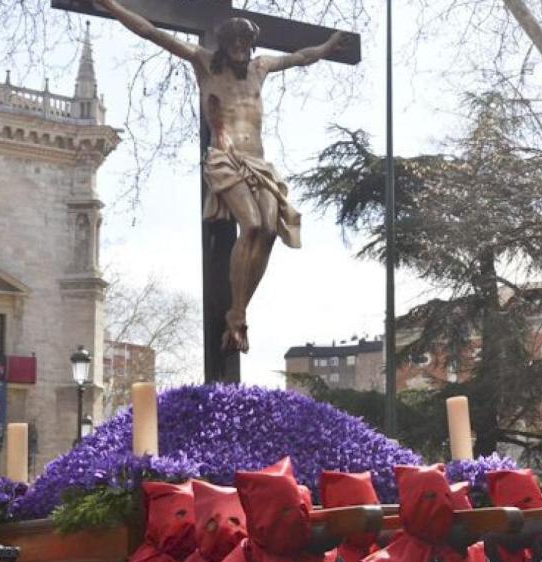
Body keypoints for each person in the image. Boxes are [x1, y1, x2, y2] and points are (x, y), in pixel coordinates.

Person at [91, 0, 349, 353]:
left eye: (246, 42)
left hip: (259, 163)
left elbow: (301, 57)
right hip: (225, 159)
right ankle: (236, 315)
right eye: (234, 42)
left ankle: (238, 311)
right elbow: (151, 32)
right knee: (252, 225)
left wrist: (329, 45)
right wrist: (111, 5)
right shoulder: (203, 62)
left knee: (270, 231)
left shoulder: (261, 68)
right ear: (224, 44)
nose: (240, 47)